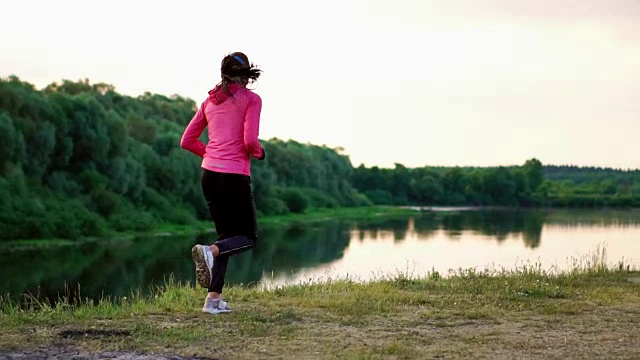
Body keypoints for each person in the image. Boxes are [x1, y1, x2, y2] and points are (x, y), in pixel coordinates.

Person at [180, 52, 265, 314]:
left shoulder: (209, 102)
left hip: (209, 175)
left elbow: (187, 141)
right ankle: (209, 251)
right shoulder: (251, 100)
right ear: (244, 75)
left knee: (227, 237)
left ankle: (213, 300)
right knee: (247, 237)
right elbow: (250, 141)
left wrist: (211, 153)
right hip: (234, 176)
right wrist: (259, 152)